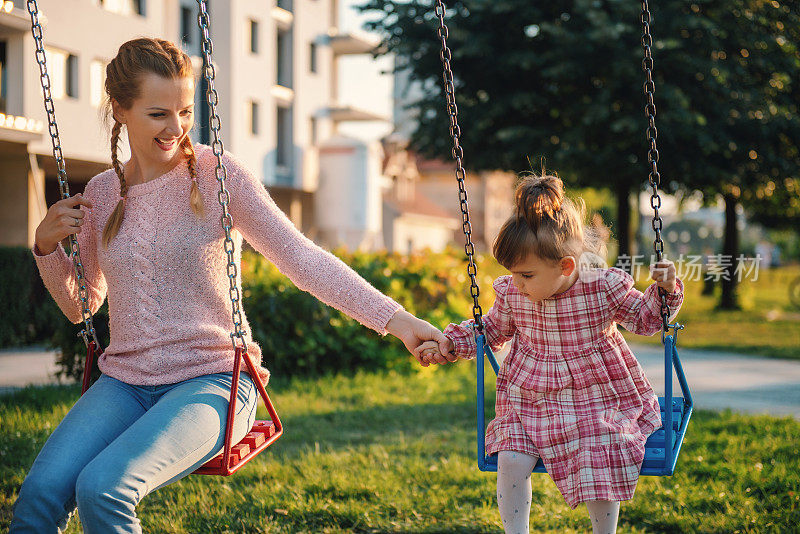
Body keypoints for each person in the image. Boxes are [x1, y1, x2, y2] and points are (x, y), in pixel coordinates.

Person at [10, 37, 453, 534]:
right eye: (158, 113)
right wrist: (47, 249)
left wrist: (400, 323)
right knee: (40, 494)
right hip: (124, 383)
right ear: (120, 109)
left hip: (214, 380)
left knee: (104, 488)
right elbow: (83, 306)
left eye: (183, 110)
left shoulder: (218, 176)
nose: (175, 128)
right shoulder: (101, 192)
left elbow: (302, 259)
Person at [416, 173, 684, 534]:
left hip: (598, 398)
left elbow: (646, 318)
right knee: (510, 458)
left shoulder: (601, 286)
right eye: (513, 274)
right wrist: (449, 343)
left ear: (566, 267)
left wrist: (665, 291)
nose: (517, 283)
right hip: (529, 399)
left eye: (526, 274)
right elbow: (489, 331)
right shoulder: (514, 293)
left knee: (600, 453)